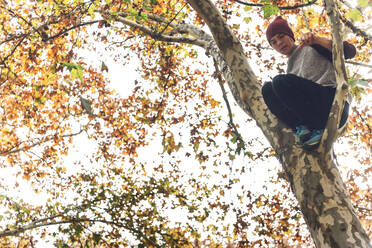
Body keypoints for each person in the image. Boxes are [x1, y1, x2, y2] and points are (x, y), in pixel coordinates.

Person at [261, 16, 356, 149]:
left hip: (333, 102)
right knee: (267, 90)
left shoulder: (312, 46)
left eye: (281, 36)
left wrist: (317, 40)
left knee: (279, 81)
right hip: (314, 116)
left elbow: (350, 51)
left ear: (290, 36)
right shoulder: (290, 70)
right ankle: (304, 130)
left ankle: (312, 129)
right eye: (274, 42)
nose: (279, 43)